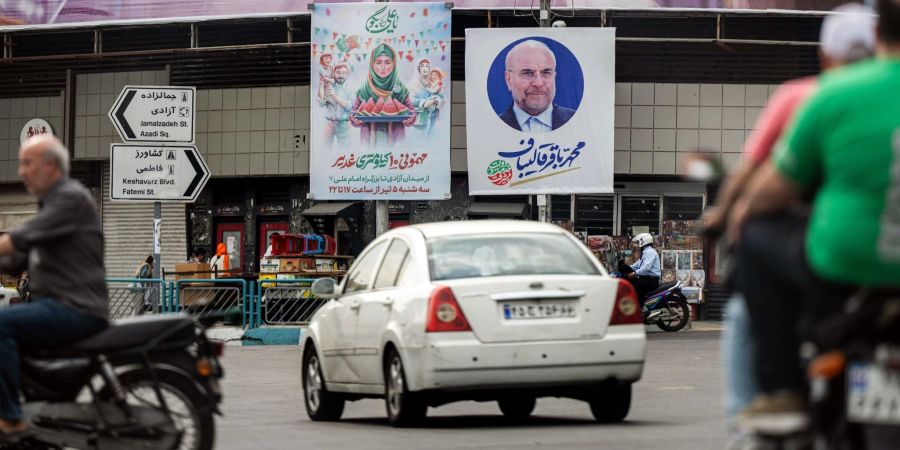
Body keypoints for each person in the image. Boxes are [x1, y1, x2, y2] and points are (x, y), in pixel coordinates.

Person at [702, 2, 877, 432]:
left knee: (744, 307)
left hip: (826, 253)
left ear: (824, 56)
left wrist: (730, 214)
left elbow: (763, 178)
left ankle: (760, 409)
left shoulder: (815, 96)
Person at [0, 136, 108, 435]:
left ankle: (10, 418)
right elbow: (17, 257)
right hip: (59, 304)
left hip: (74, 307)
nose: (20, 171)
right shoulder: (54, 203)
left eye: (27, 163)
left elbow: (20, 238)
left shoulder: (69, 197)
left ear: (49, 166)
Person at [498, 39, 575, 133]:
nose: (538, 83)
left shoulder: (578, 122)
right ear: (509, 79)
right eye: (527, 73)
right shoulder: (492, 127)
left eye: (546, 72)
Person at [349, 44, 416, 145]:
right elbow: (354, 112)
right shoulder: (364, 89)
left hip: (396, 144)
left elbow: (411, 111)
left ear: (394, 64)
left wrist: (410, 119)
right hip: (368, 145)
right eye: (378, 62)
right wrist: (355, 119)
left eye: (388, 62)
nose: (383, 68)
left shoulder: (400, 88)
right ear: (372, 64)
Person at [318, 62, 353, 148]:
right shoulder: (329, 86)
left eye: (343, 73)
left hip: (344, 125)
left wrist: (334, 97)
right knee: (324, 149)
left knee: (345, 152)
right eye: (338, 72)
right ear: (334, 73)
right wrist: (321, 86)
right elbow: (321, 104)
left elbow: (350, 107)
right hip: (329, 124)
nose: (341, 75)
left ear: (347, 74)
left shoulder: (350, 89)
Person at [627, 233, 660, 303]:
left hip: (651, 280)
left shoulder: (650, 252)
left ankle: (641, 307)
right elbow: (638, 264)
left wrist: (635, 273)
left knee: (634, 287)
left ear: (643, 241)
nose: (638, 244)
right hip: (647, 279)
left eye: (638, 242)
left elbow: (646, 267)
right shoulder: (645, 252)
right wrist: (627, 268)